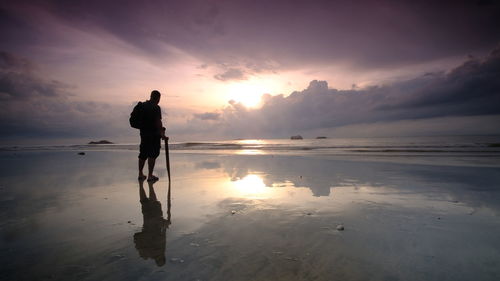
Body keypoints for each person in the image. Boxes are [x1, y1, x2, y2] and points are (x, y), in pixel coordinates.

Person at [138, 90, 167, 182]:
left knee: (143, 154)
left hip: (143, 134)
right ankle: (150, 175)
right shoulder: (156, 107)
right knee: (152, 155)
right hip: (154, 135)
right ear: (158, 98)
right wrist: (162, 134)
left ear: (150, 96)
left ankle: (140, 174)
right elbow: (158, 122)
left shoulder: (143, 106)